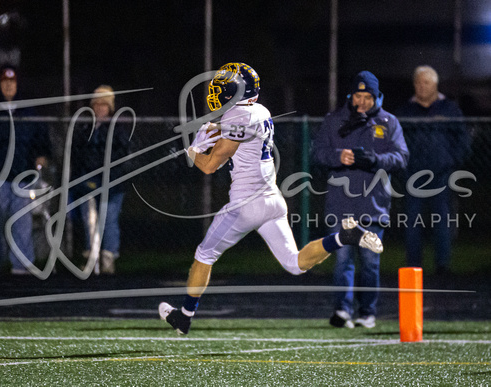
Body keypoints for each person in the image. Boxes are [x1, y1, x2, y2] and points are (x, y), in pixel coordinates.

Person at [158, 63, 384, 335]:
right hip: (273, 201)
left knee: (204, 255)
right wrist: (213, 132)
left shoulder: (237, 117)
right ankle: (343, 238)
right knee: (295, 264)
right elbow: (235, 134)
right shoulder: (261, 110)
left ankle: (184, 317)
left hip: (245, 204)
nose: (217, 91)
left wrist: (193, 148)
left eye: (222, 87)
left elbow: (208, 165)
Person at [313, 71, 409, 329]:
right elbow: (317, 152)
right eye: (359, 95)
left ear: (377, 96)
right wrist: (338, 156)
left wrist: (377, 160)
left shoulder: (388, 122)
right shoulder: (334, 120)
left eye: (368, 96)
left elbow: (402, 157)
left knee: (369, 262)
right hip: (341, 205)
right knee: (342, 260)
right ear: (351, 95)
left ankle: (367, 312)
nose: (363, 101)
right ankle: (342, 311)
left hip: (373, 206)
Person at [395, 65, 470, 275]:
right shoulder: (405, 112)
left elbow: (463, 140)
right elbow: (395, 142)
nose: (421, 87)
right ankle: (413, 266)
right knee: (412, 222)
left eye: (426, 82)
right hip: (413, 176)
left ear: (435, 85)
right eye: (418, 82)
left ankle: (442, 266)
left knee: (442, 221)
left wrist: (450, 161)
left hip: (441, 175)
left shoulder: (449, 109)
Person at [0, 65, 52, 275]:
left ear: (17, 84)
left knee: (21, 223)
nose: (8, 85)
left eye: (12, 82)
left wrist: (41, 155)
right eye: (4, 82)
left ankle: (22, 264)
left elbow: (41, 137)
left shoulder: (28, 111)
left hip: (22, 175)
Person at [69, 85, 131, 274]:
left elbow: (120, 154)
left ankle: (108, 258)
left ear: (110, 107)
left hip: (112, 182)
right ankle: (92, 260)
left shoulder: (117, 128)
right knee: (89, 220)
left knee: (109, 219)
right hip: (89, 181)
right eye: (97, 104)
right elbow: (77, 154)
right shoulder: (85, 128)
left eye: (104, 105)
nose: (100, 108)